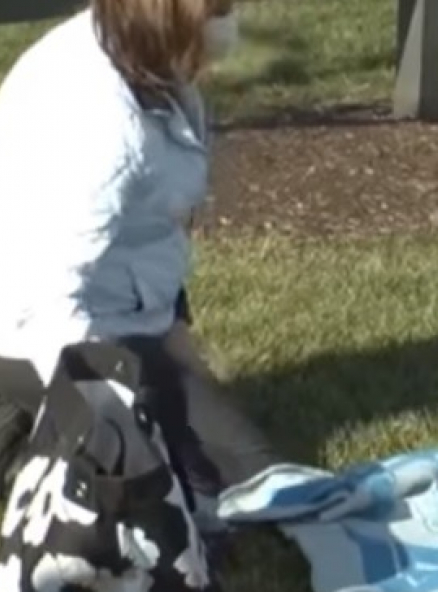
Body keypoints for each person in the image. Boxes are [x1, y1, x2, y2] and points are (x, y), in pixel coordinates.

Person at [0, 0, 281, 528]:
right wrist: (113, 432)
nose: (231, 22)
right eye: (218, 11)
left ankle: (37, 432)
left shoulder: (143, 64)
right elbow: (46, 302)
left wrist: (178, 346)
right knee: (200, 503)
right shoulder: (101, 122)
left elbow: (150, 232)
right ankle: (45, 434)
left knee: (259, 478)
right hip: (38, 329)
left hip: (109, 319)